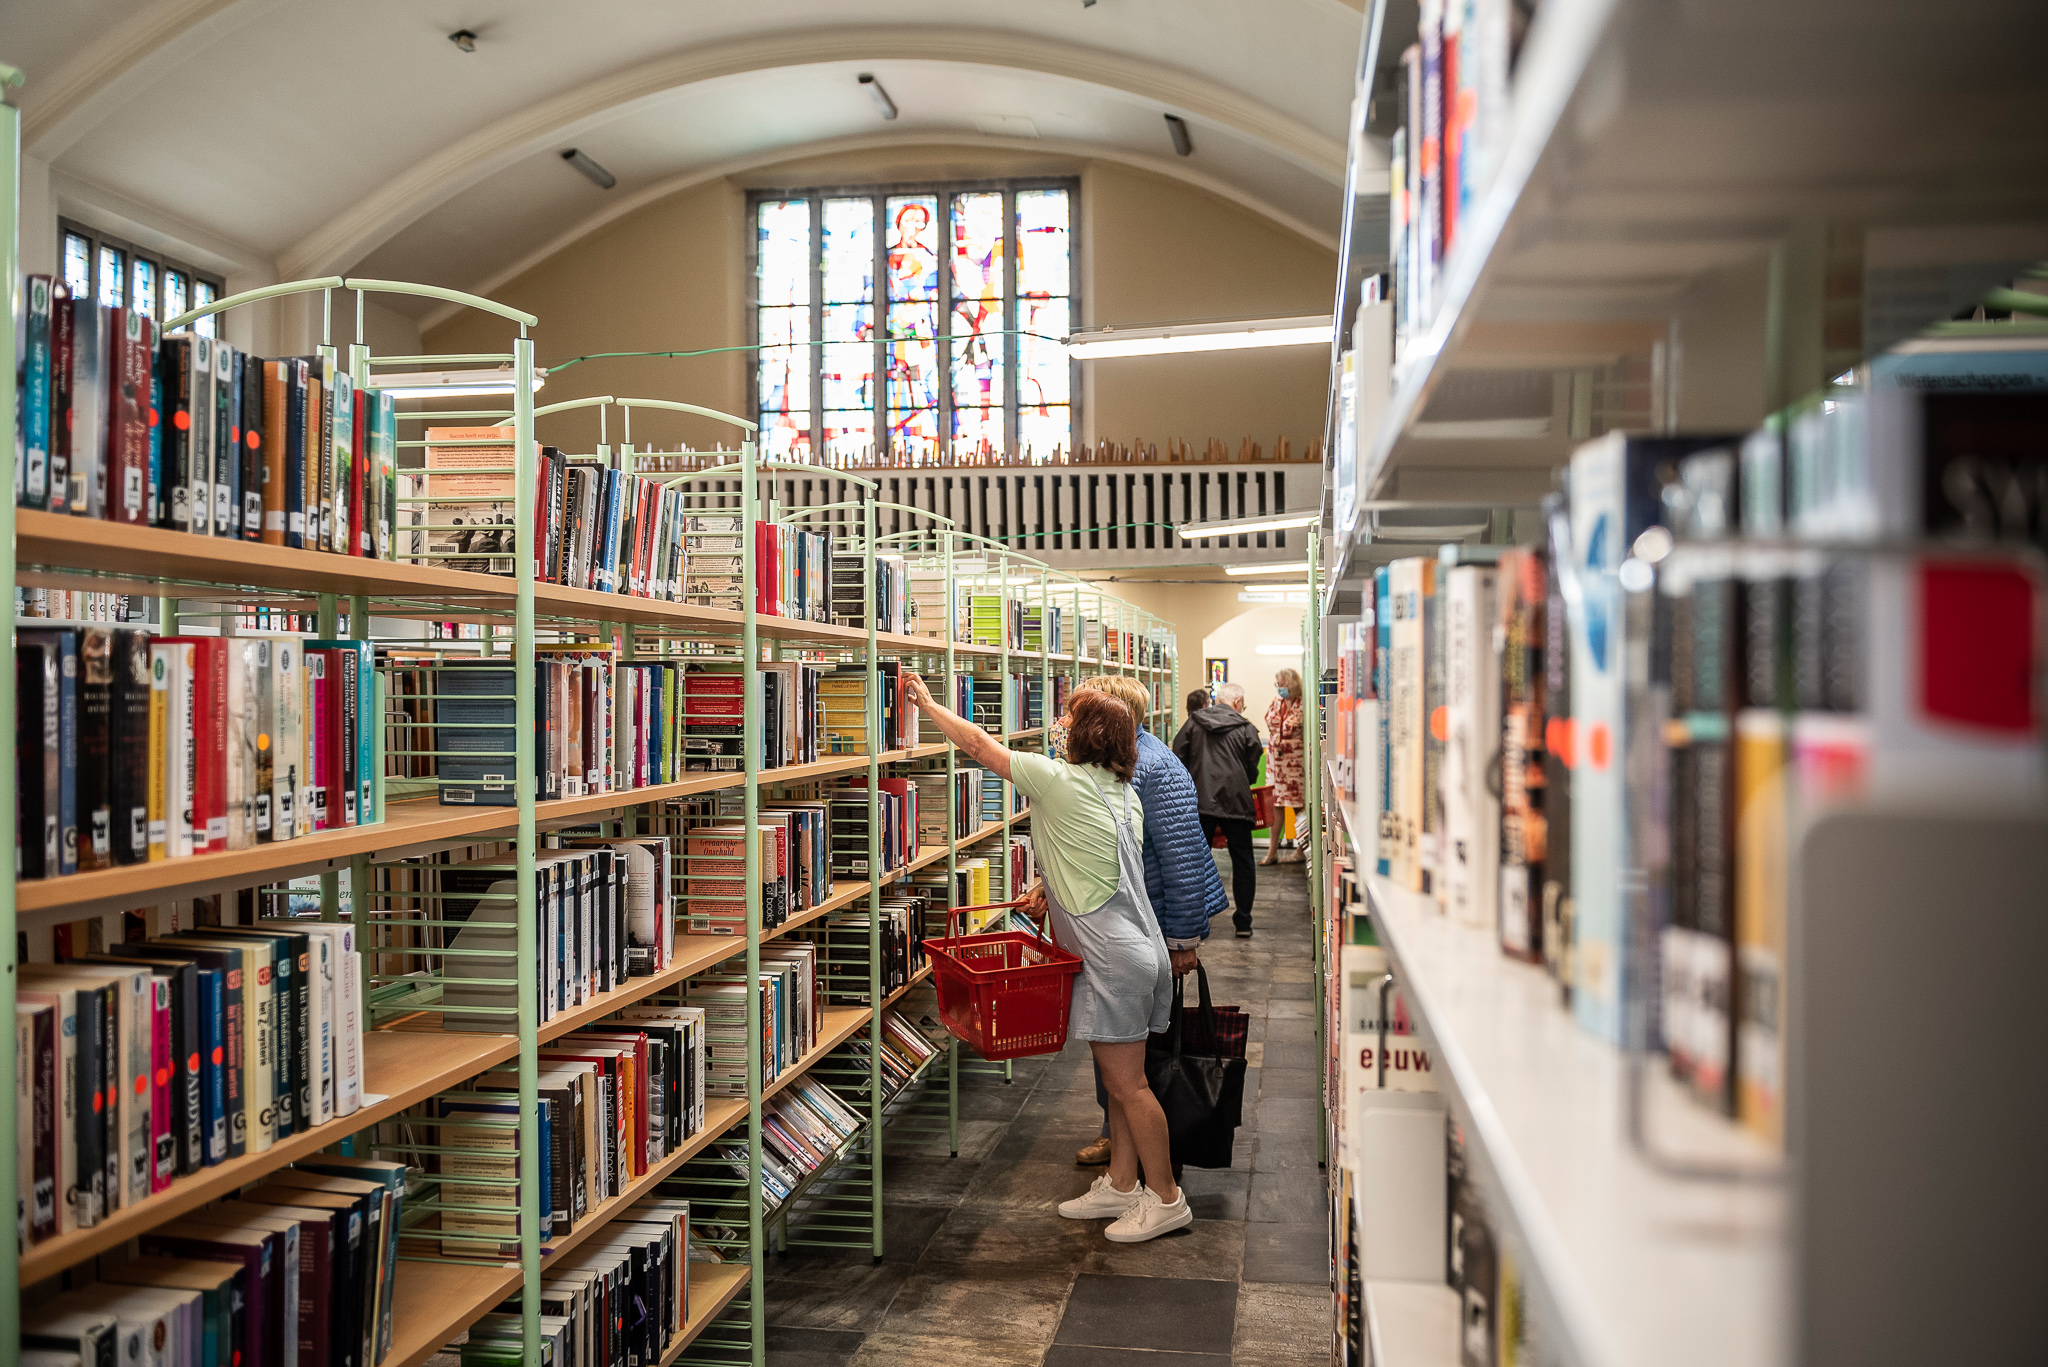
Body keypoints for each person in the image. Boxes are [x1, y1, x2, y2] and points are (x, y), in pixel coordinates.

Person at [902, 675, 1193, 1242]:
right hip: (1135, 949)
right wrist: (1049, 885)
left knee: (1130, 1086)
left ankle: (1166, 1198)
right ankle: (1121, 1183)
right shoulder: (1121, 792)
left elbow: (979, 748)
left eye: (1068, 717)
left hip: (1111, 959)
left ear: (1085, 734)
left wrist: (930, 705)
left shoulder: (1058, 780)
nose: (1057, 725)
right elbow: (1091, 859)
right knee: (1119, 1082)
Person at [1057, 675, 1227, 1169]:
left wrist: (1183, 939)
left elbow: (1182, 860)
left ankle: (1146, 1146)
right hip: (1129, 918)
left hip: (1150, 924)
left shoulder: (1153, 768)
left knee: (1139, 1045)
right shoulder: (1120, 762)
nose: (1066, 725)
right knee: (1120, 1037)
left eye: (1078, 714)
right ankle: (1120, 1138)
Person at [1173, 681, 1264, 938]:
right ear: (1237, 704)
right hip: (1236, 801)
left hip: (1200, 802)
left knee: (1195, 861)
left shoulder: (1193, 723)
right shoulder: (1246, 729)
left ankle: (1196, 918)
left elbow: (1178, 755)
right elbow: (1252, 767)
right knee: (1243, 862)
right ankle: (1243, 922)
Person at [1263, 668, 1306, 865]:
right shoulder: (1276, 702)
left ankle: (1301, 849)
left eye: (1283, 684)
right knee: (1275, 806)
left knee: (1299, 807)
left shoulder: (1303, 703)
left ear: (1292, 684)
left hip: (1295, 764)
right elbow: (1270, 723)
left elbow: (1296, 727)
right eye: (1278, 685)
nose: (1280, 688)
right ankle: (1272, 852)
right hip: (1275, 764)